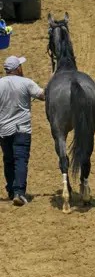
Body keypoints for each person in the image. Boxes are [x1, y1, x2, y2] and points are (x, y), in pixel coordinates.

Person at [0, 56, 45, 206]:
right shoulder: (26, 82)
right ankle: (19, 192)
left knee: (8, 160)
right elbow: (43, 95)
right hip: (22, 129)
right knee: (20, 160)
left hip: (4, 130)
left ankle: (11, 191)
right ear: (17, 68)